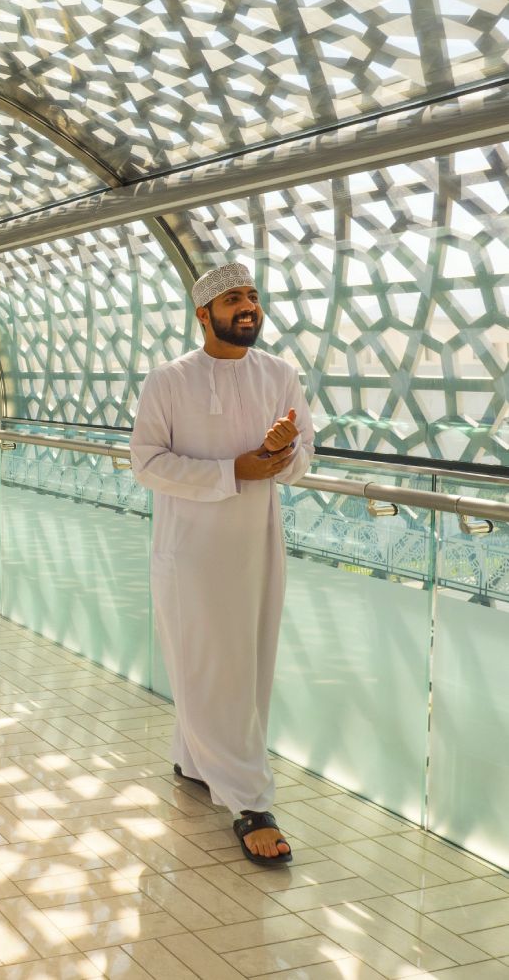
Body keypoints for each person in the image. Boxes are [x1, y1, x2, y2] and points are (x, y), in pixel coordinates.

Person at [130, 261, 314, 868]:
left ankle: (194, 760)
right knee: (210, 664)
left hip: (256, 543)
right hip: (190, 549)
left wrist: (282, 452)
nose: (248, 306)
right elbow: (146, 463)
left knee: (248, 663)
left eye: (253, 296)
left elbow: (303, 457)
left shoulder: (280, 374)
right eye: (233, 298)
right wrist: (232, 470)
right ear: (203, 314)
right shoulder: (169, 379)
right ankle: (249, 802)